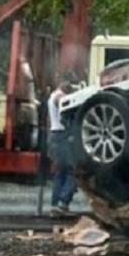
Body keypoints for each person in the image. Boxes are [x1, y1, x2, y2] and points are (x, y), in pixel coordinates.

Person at [48, 76, 76, 215]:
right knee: (72, 171)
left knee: (60, 172)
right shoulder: (59, 96)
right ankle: (63, 203)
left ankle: (55, 205)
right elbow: (64, 111)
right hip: (62, 136)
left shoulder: (52, 95)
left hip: (55, 135)